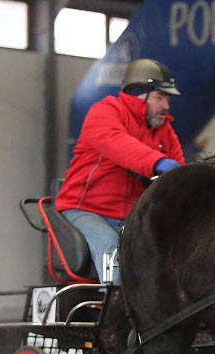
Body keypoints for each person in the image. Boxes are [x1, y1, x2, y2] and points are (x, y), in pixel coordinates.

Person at [55, 58, 185, 282]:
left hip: (131, 216)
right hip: (86, 210)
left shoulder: (165, 130)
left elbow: (178, 174)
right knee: (110, 247)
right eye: (160, 97)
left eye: (167, 99)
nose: (166, 106)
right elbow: (118, 144)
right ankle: (116, 311)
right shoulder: (104, 112)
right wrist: (159, 163)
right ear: (138, 94)